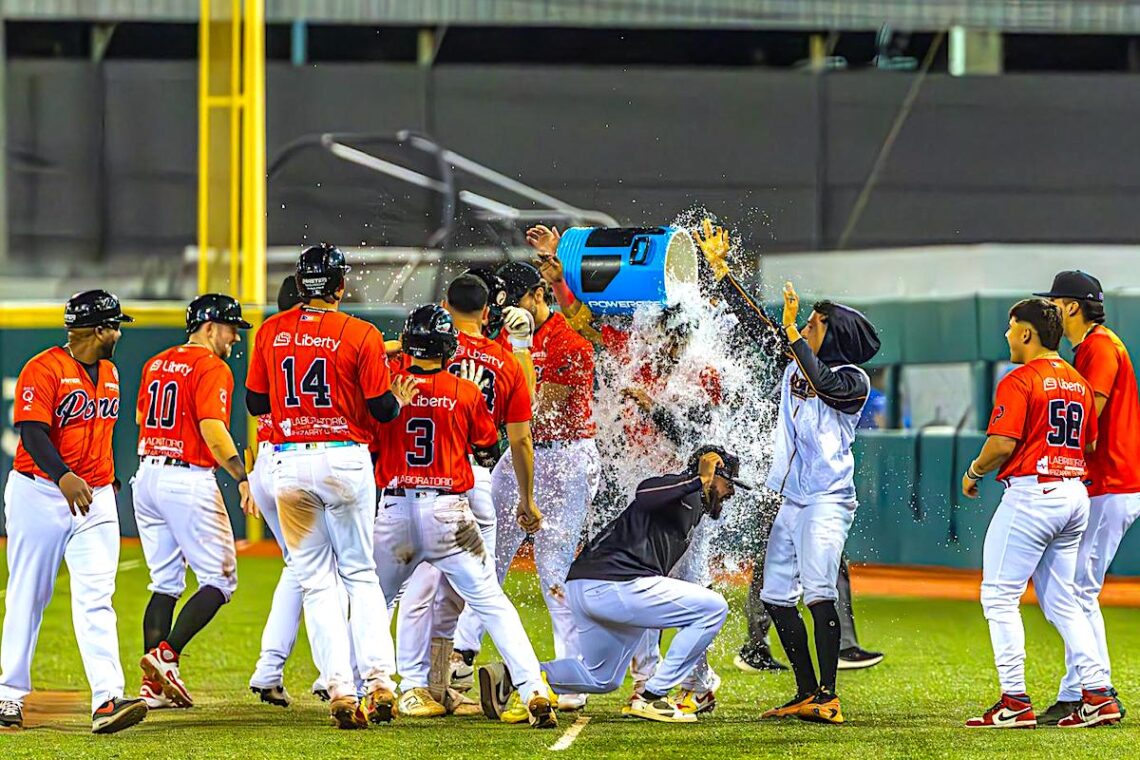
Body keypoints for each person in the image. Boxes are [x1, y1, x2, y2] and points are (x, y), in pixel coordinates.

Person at [696, 222, 883, 723]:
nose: (803, 330)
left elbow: (823, 383)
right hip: (792, 499)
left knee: (820, 589)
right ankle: (806, 691)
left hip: (828, 500)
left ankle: (828, 695)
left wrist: (794, 336)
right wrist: (721, 272)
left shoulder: (853, 380)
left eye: (814, 325)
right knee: (777, 596)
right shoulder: (797, 362)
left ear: (833, 332)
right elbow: (759, 325)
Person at [245, 243, 418, 729]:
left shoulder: (270, 331)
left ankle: (340, 687)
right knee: (360, 575)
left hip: (290, 462)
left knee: (316, 582)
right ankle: (380, 680)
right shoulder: (360, 332)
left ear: (300, 286)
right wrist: (397, 401)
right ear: (341, 286)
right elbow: (383, 410)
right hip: (344, 458)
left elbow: (257, 400)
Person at [373, 305, 557, 729]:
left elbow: (372, 430)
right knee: (489, 601)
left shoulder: (387, 388)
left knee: (377, 603)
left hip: (396, 506)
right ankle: (532, 688)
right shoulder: (466, 389)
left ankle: (374, 685)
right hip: (452, 510)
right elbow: (487, 443)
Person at [479, 447, 741, 724]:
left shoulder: (693, 502)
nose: (731, 492)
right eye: (729, 483)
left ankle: (514, 676)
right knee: (713, 608)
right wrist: (698, 480)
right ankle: (653, 697)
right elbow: (645, 492)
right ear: (712, 475)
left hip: (590, 589)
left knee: (601, 678)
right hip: (615, 585)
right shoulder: (684, 489)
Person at [961, 297, 1121, 729]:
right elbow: (1087, 444)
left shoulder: (1019, 379)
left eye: (1011, 327)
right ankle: (1098, 694)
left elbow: (1002, 444)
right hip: (1073, 495)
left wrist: (974, 471)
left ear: (1028, 333)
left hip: (1034, 494)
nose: (1007, 335)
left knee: (998, 596)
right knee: (1062, 600)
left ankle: (1014, 700)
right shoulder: (1077, 380)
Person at [451, 261, 601, 713]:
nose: (508, 311)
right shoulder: (507, 339)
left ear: (537, 295)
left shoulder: (569, 343)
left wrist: (515, 351)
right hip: (523, 452)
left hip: (567, 456)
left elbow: (534, 408)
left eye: (515, 301)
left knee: (554, 571)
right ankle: (461, 655)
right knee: (486, 555)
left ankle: (572, 679)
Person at [0, 290, 148, 734]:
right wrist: (64, 475)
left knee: (97, 597)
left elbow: (98, 436)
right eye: (116, 325)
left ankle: (106, 698)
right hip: (39, 493)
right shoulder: (43, 368)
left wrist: (104, 479)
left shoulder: (111, 372)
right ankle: (7, 694)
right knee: (28, 594)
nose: (120, 333)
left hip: (94, 498)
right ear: (99, 330)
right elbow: (31, 433)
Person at [135, 294, 256, 709]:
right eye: (230, 328)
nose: (235, 337)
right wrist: (243, 476)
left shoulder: (155, 363)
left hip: (147, 474)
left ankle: (151, 688)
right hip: (186, 480)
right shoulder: (211, 366)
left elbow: (141, 419)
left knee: (164, 583)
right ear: (208, 327)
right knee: (221, 581)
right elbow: (212, 429)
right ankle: (166, 656)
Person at [1035, 271, 1138, 725]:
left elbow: (1085, 422)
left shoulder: (1098, 347)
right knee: (1077, 591)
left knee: (1075, 591)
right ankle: (1086, 690)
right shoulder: (1095, 345)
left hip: (1111, 481)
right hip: (1107, 482)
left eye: (1054, 302)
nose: (1050, 309)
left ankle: (1087, 693)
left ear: (1071, 306)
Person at [248, 275, 334, 707]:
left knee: (299, 567)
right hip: (300, 458)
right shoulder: (320, 337)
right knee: (320, 569)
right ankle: (330, 675)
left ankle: (269, 668)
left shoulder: (271, 338)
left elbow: (256, 402)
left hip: (270, 458)